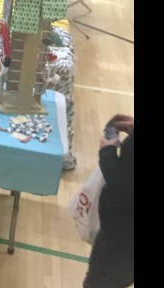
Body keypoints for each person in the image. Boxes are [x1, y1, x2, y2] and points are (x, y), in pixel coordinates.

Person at [83, 113, 134, 288]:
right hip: (119, 231)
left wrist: (107, 152)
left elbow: (125, 187)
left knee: (101, 282)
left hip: (122, 238)